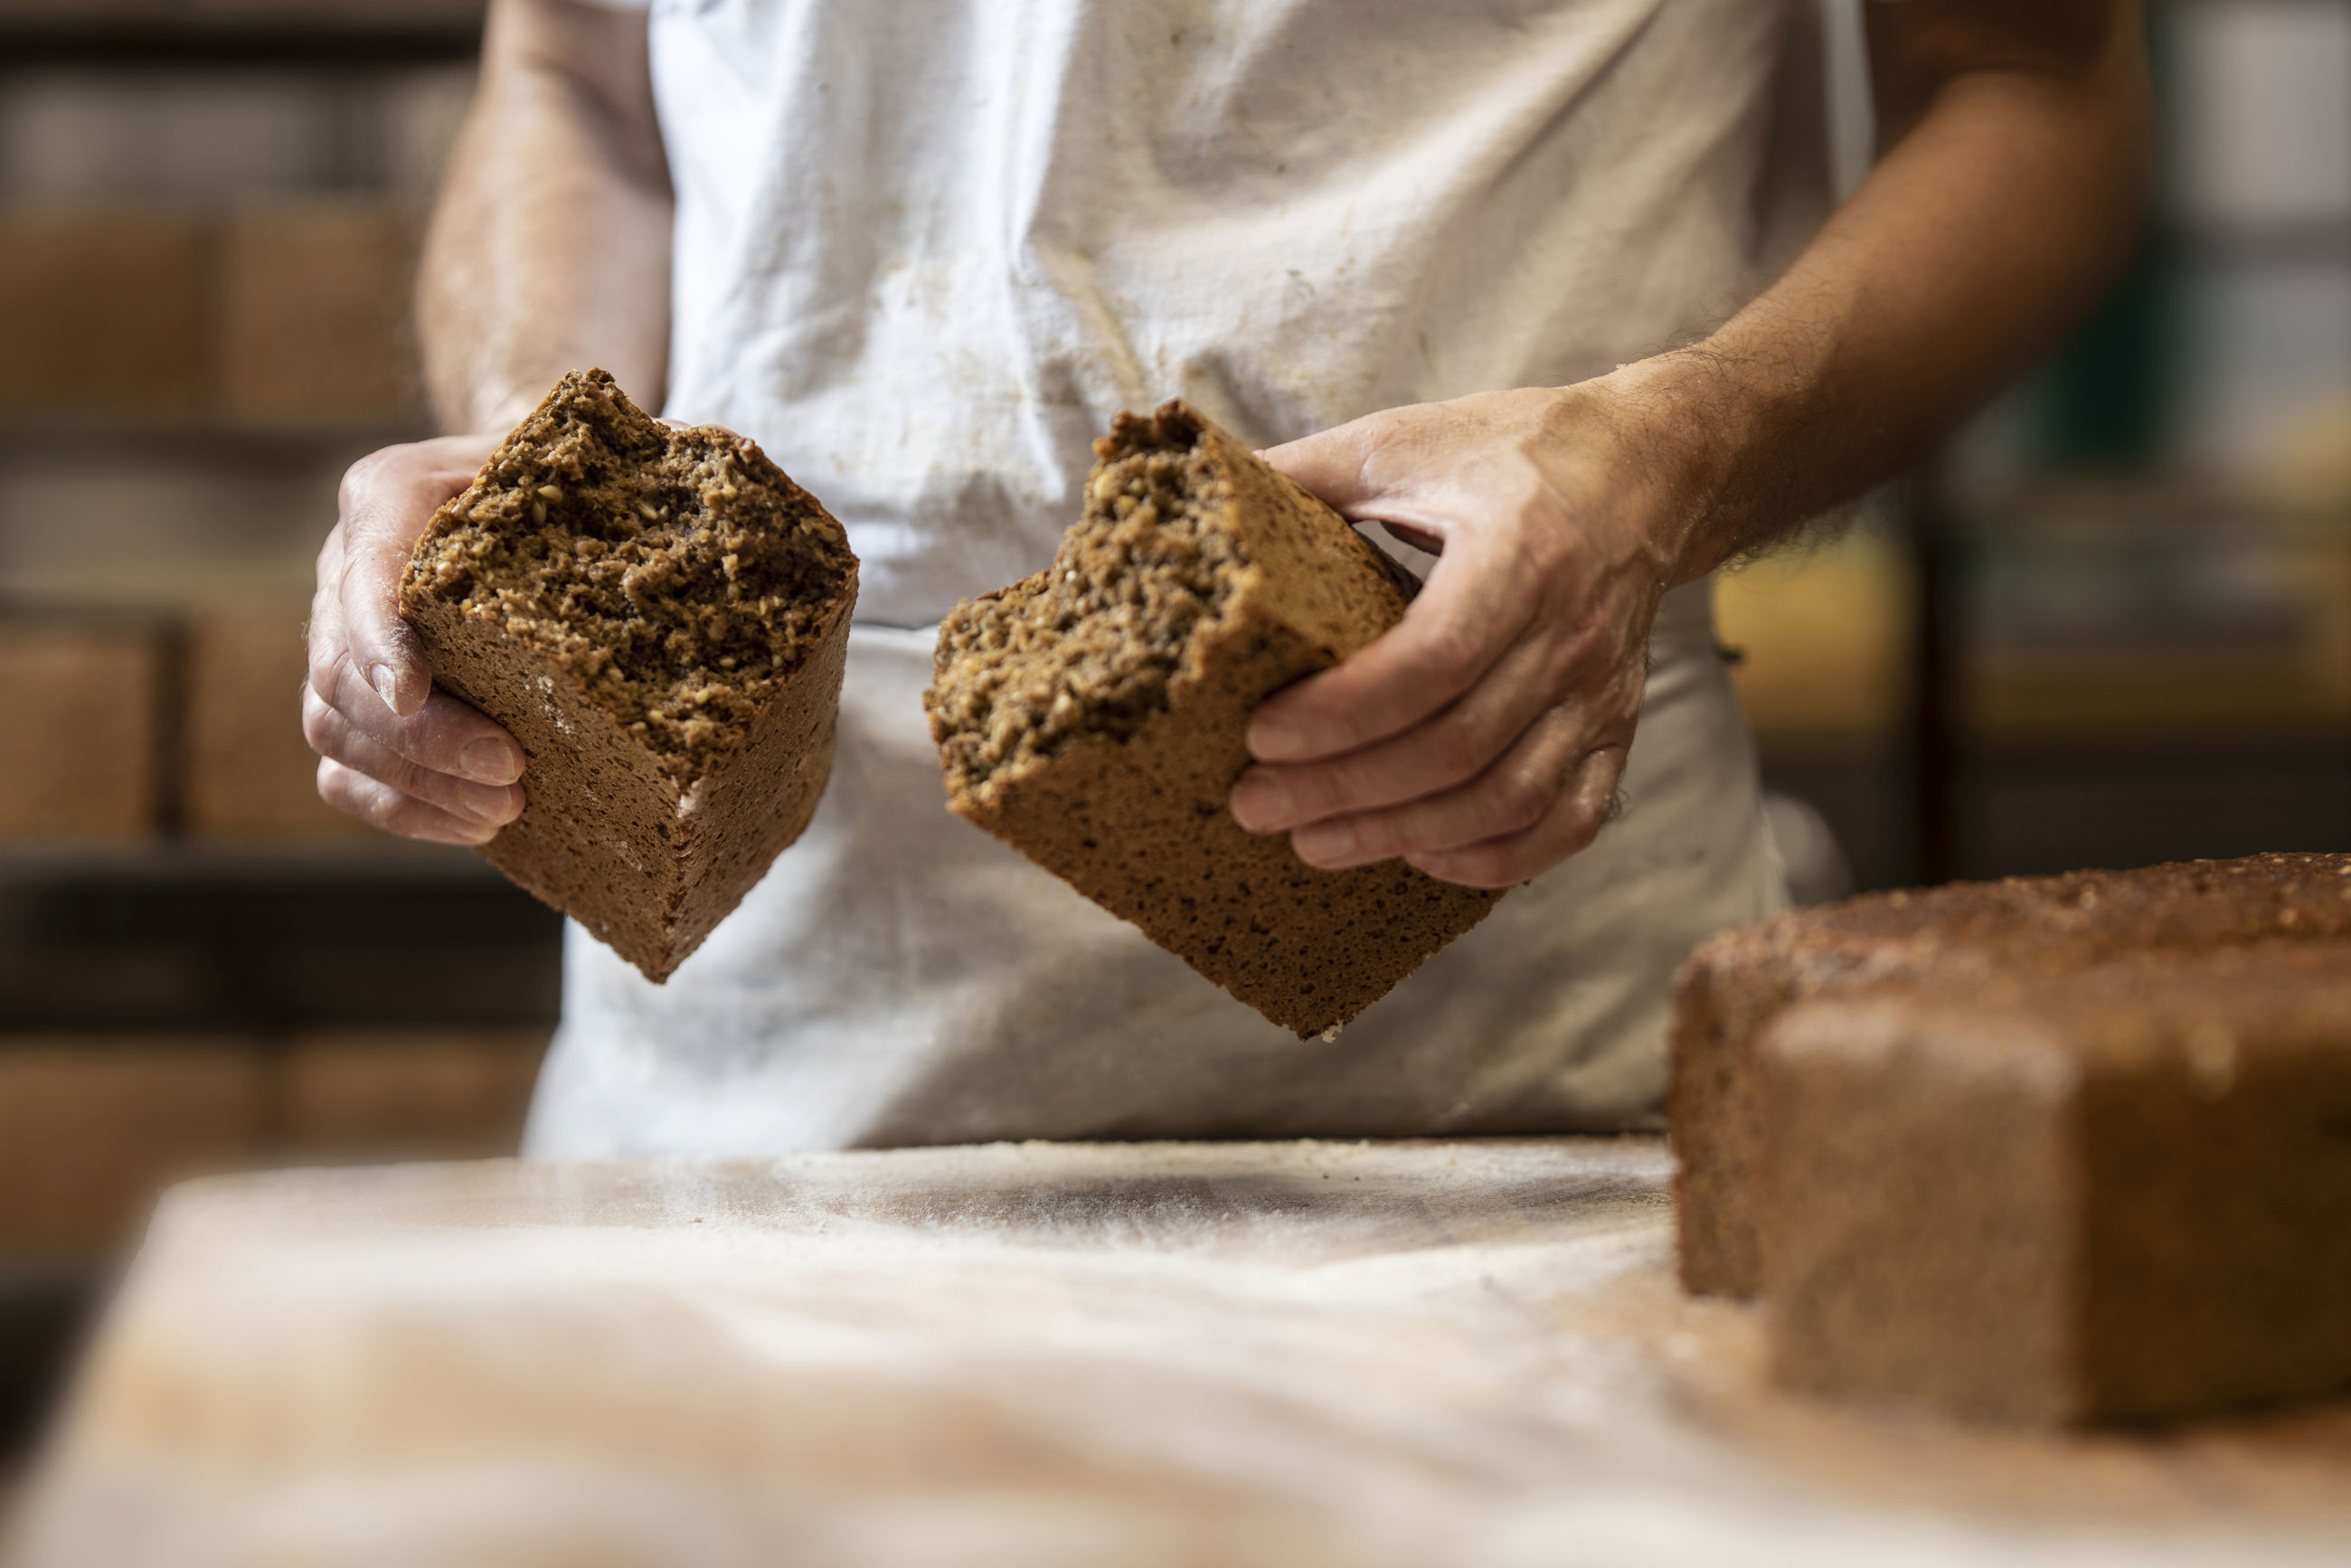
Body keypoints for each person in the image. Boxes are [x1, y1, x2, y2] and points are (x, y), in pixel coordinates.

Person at [306, 0, 2147, 1153]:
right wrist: (532, 474)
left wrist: (1660, 461)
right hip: (755, 1072)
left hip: (1516, 1058)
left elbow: (2031, 83)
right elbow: (575, 83)